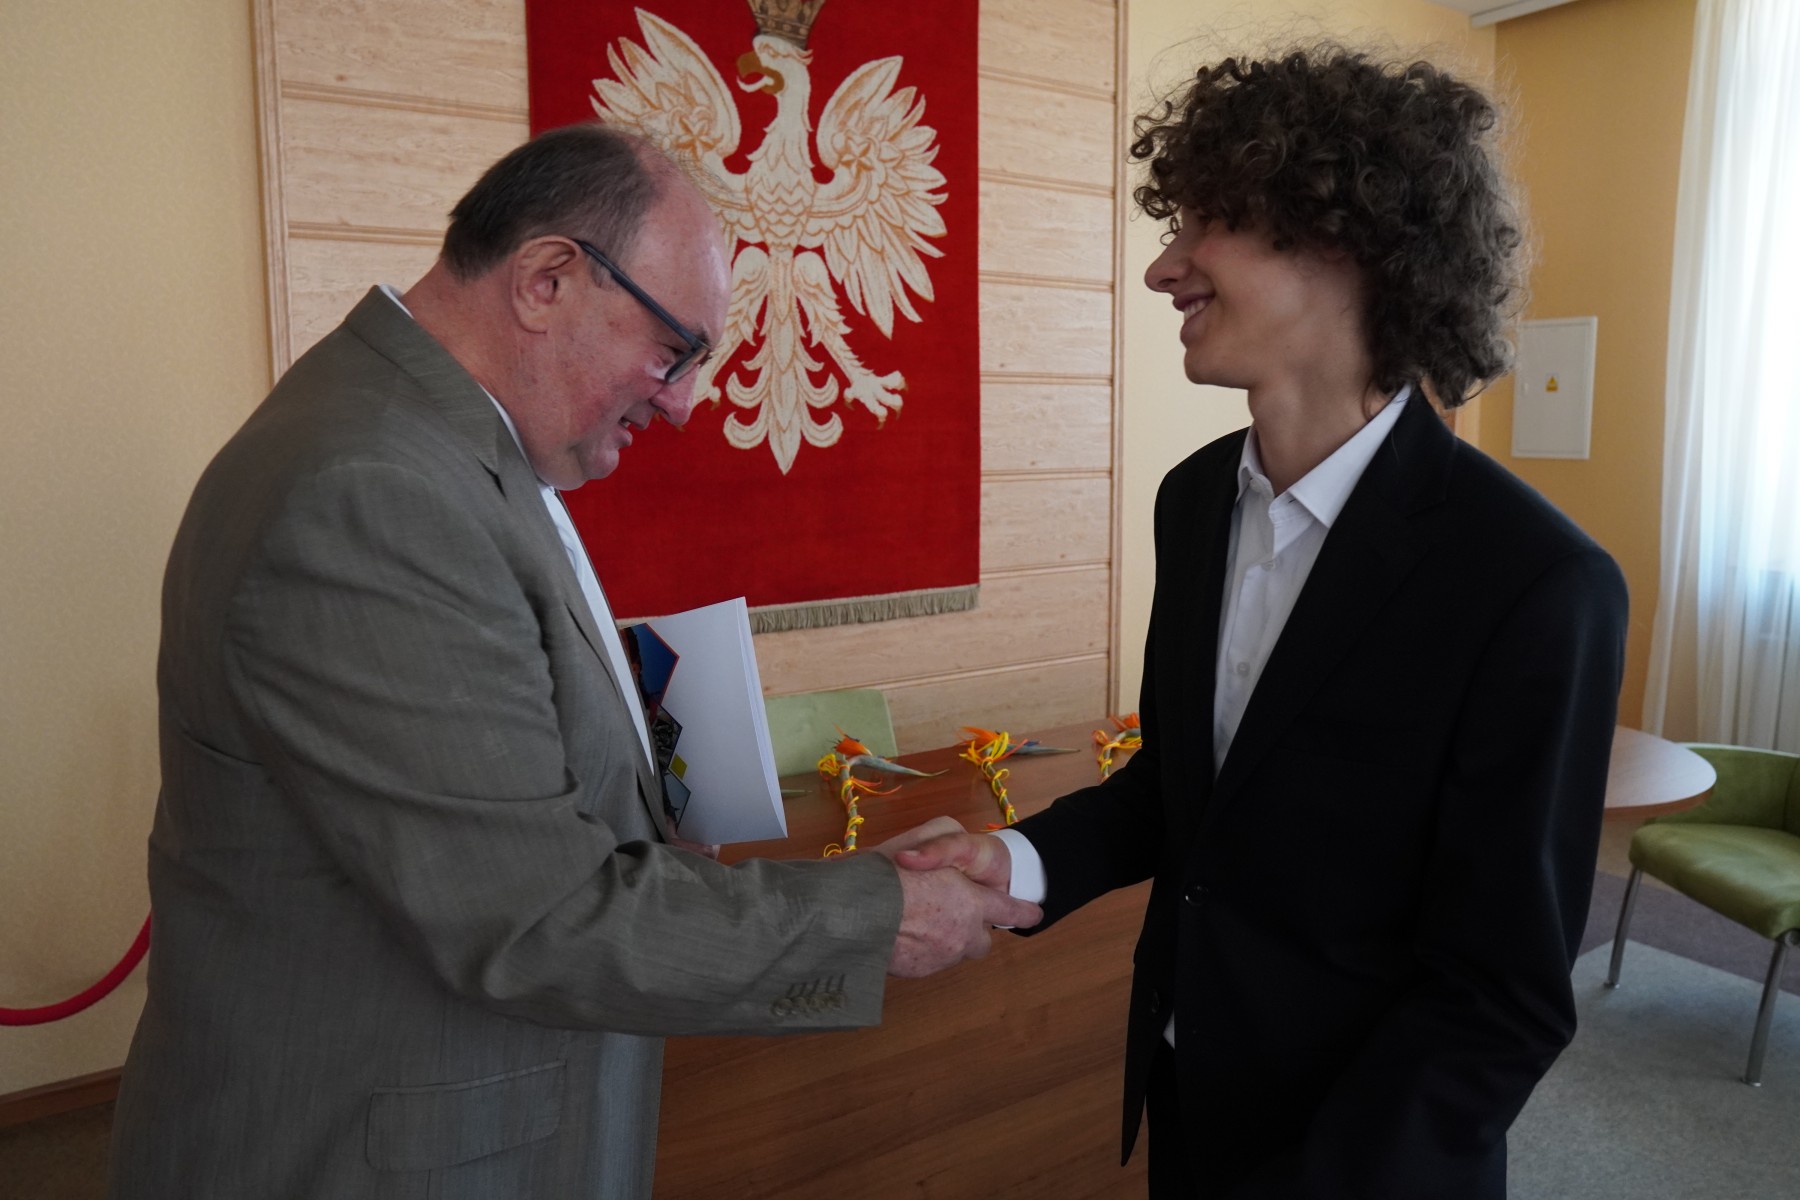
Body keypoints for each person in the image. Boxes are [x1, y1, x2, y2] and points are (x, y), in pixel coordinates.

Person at [107, 123, 1037, 1199]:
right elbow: (534, 917)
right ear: (547, 279)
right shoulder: (376, 491)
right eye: (675, 350)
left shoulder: (445, 446)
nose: (685, 402)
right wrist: (877, 916)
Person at [897, 43, 1628, 1198]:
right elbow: (1184, 795)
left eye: (1206, 223)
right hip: (1187, 1097)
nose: (1163, 268)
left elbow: (1501, 998)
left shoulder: (1534, 583)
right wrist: (1015, 858)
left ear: (1345, 239)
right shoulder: (1194, 502)